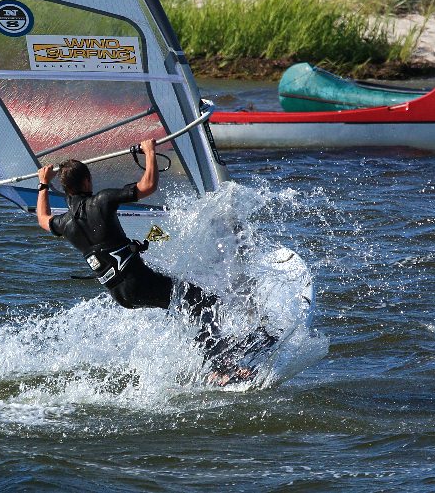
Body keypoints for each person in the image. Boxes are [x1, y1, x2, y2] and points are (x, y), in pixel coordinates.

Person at [36, 139, 275, 385]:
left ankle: (217, 357)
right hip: (139, 282)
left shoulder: (64, 223)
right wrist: (150, 152)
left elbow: (43, 219)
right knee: (203, 301)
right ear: (87, 182)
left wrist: (43, 183)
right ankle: (221, 368)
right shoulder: (102, 201)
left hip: (120, 294)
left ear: (66, 190)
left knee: (187, 303)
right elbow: (147, 186)